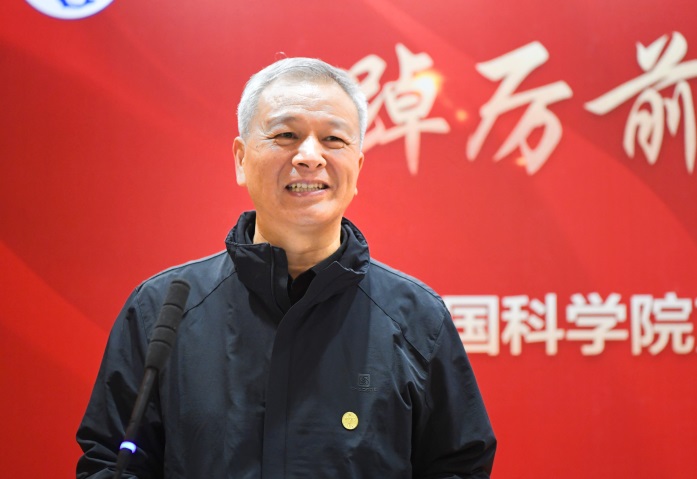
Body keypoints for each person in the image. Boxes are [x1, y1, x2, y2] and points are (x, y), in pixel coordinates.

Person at [76, 57, 496, 478]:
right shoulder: (161, 309)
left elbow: (459, 467)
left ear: (357, 168)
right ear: (241, 159)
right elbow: (111, 463)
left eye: (333, 139)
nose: (310, 156)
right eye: (285, 135)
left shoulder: (417, 317)